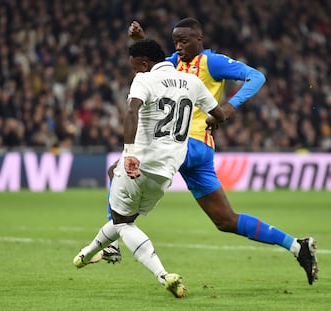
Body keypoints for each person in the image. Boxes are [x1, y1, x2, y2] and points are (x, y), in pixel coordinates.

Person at [101, 18, 318, 286]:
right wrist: (139, 40)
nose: (179, 46)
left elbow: (256, 76)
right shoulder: (172, 63)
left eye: (184, 41)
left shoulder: (210, 62)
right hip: (196, 152)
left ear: (199, 40)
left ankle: (113, 241)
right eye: (175, 42)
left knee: (117, 169)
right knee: (225, 220)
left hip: (185, 145)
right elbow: (150, 62)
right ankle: (298, 246)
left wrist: (229, 107)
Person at [73, 39, 226, 298]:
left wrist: (130, 153)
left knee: (122, 223)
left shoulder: (144, 80)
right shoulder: (193, 82)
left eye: (135, 67)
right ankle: (85, 254)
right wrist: (212, 121)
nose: (135, 71)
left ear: (145, 63)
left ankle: (163, 275)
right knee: (124, 215)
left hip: (140, 162)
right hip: (166, 172)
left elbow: (131, 111)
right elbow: (219, 114)